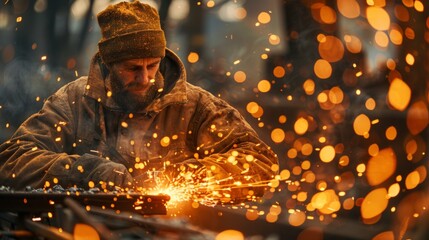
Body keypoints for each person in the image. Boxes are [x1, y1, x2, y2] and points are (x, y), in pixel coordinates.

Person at [0, 1, 278, 203]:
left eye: (152, 65)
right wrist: (86, 171)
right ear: (109, 64)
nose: (145, 78)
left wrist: (183, 175)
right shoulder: (74, 101)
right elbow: (12, 159)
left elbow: (260, 163)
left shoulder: (195, 105)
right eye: (132, 68)